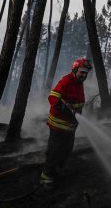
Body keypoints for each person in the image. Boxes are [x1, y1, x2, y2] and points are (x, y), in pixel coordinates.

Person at [39, 57, 92, 189]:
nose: (84, 75)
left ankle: (58, 171)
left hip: (70, 127)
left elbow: (78, 103)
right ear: (75, 70)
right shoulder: (66, 81)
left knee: (66, 151)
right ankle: (46, 178)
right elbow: (52, 96)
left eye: (86, 73)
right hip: (58, 126)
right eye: (82, 72)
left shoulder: (79, 83)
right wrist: (63, 108)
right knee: (54, 151)